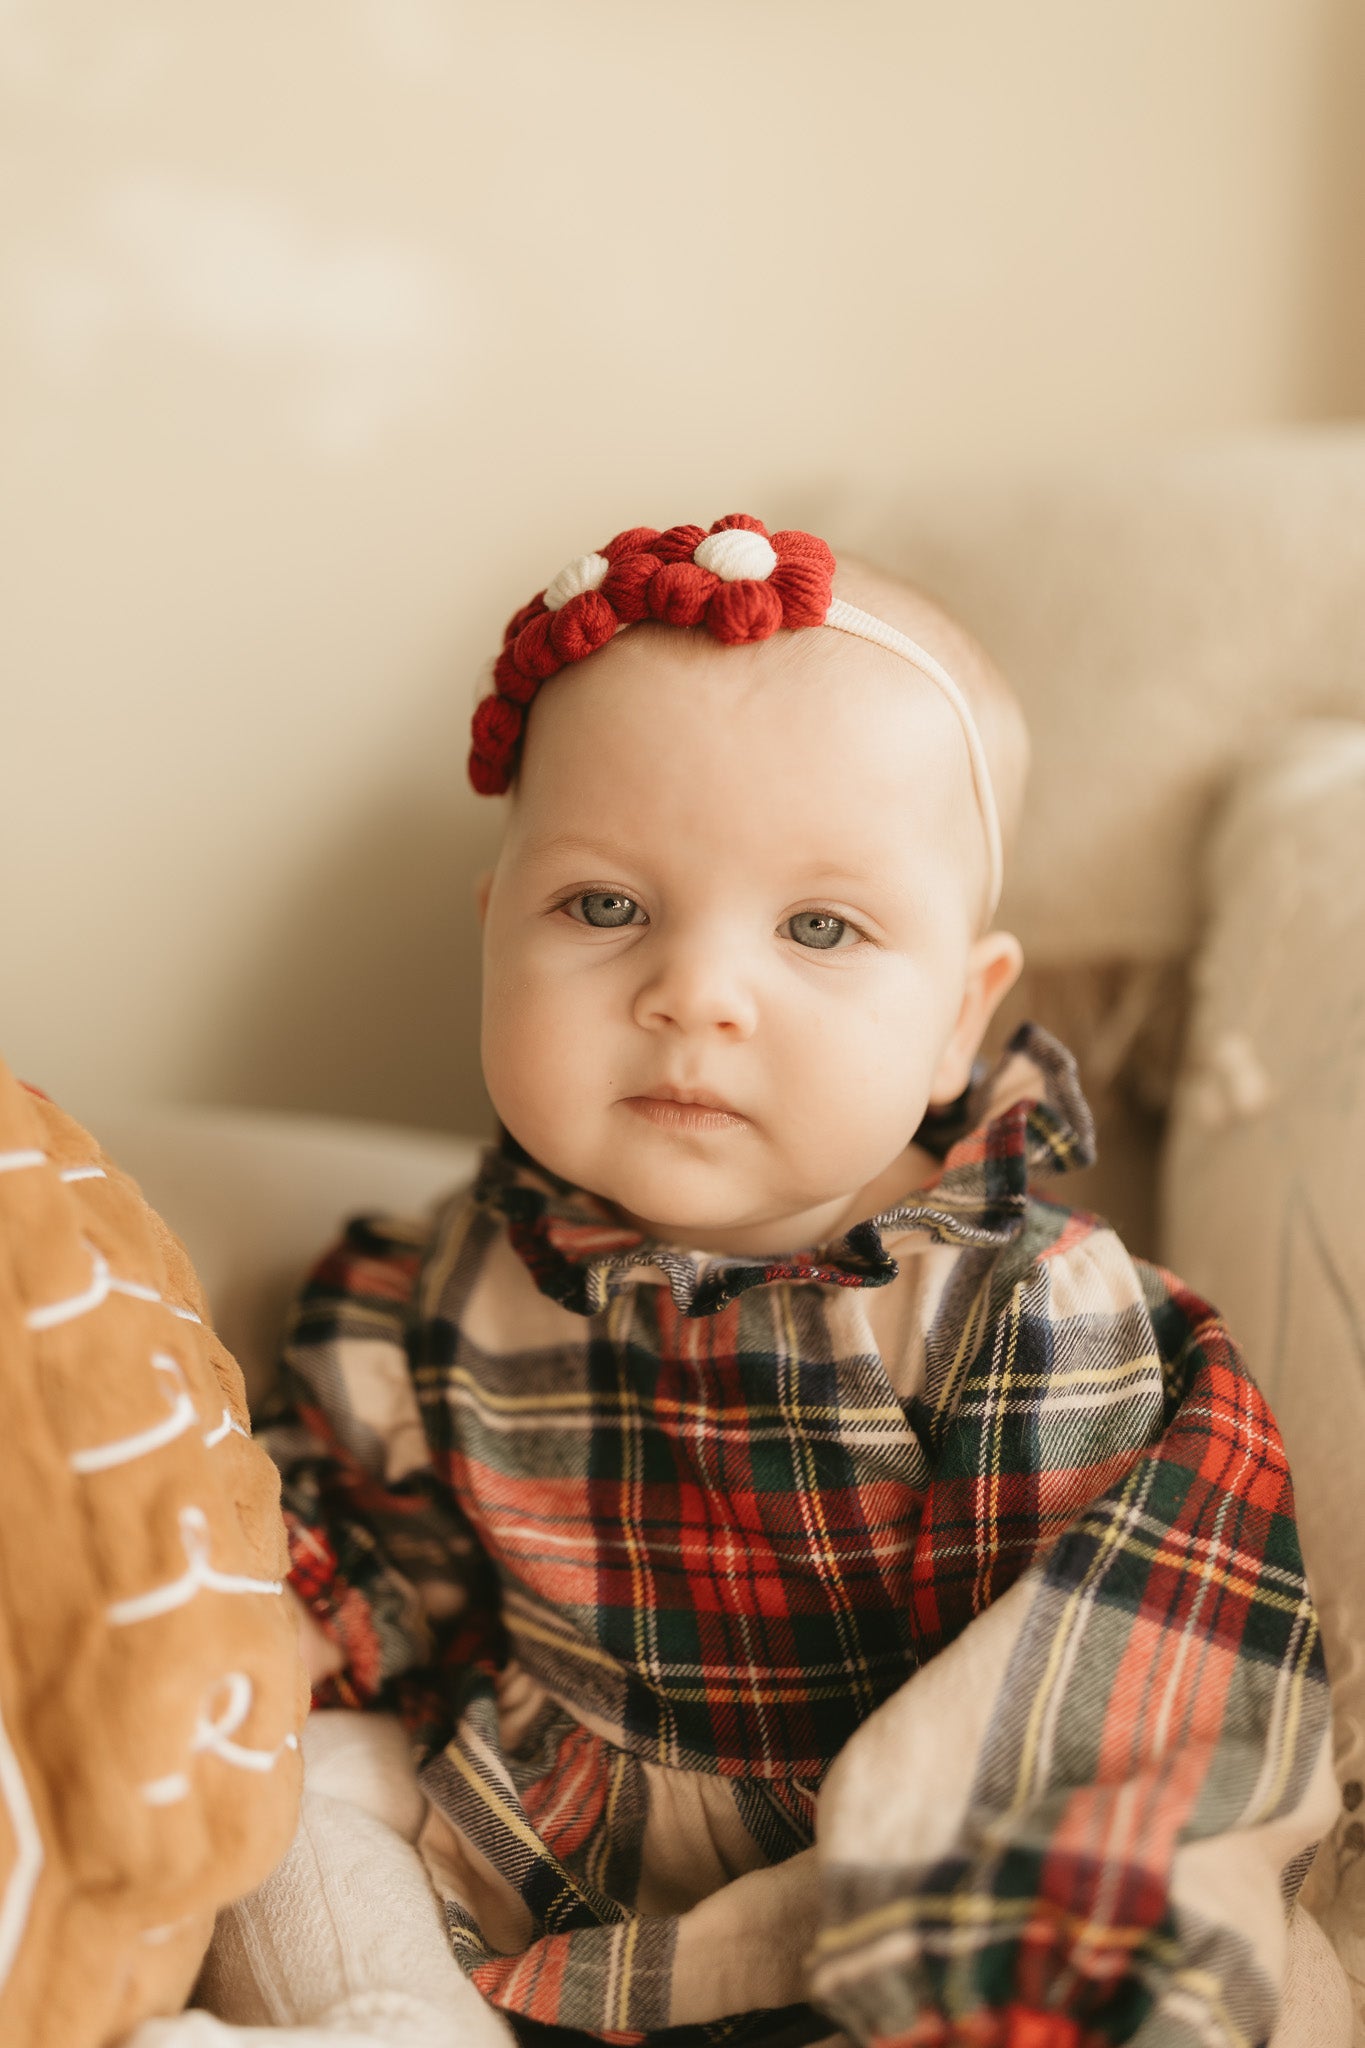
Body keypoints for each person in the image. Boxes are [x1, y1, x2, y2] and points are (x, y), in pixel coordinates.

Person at [252, 517, 1336, 2047]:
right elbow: (377, 1550)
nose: (693, 992)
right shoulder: (446, 1284)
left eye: (819, 927)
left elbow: (1088, 1703)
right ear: (495, 938)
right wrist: (266, 1633)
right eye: (603, 906)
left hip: (902, 1862)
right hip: (538, 1849)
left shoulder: (1022, 1314)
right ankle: (368, 2016)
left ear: (959, 1017)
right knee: (279, 1800)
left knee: (1212, 1968)